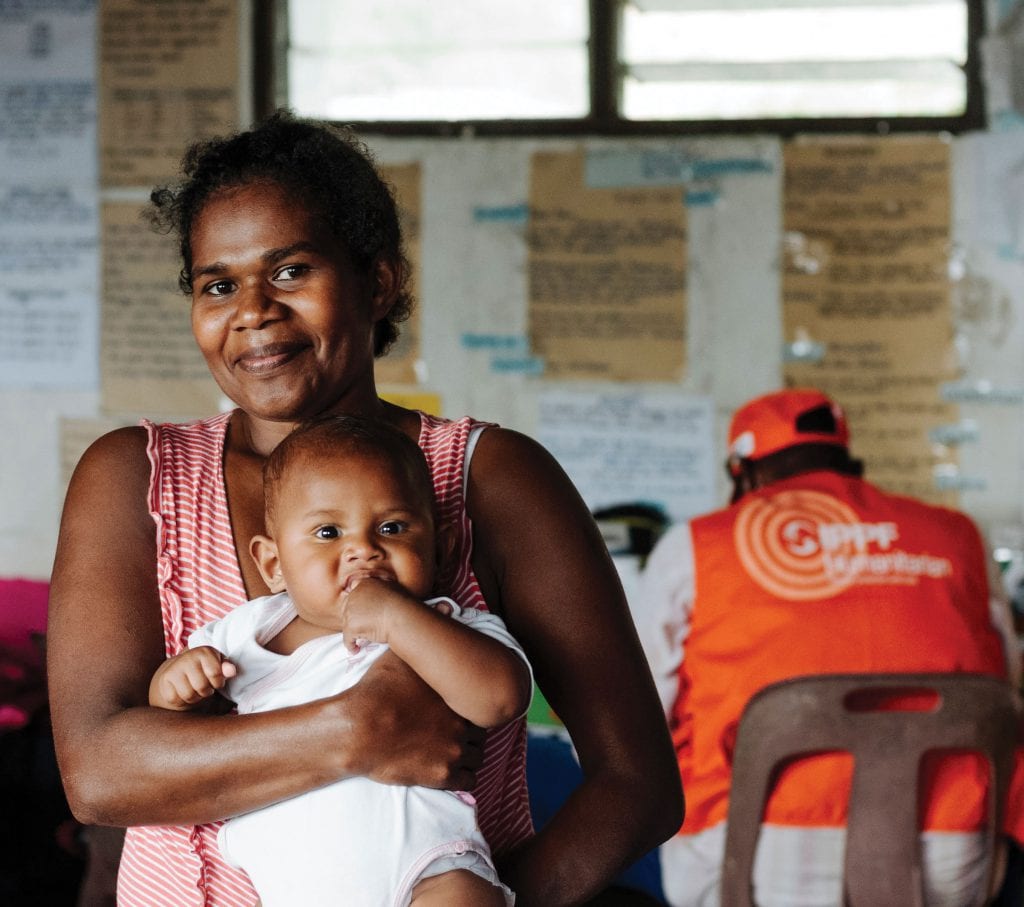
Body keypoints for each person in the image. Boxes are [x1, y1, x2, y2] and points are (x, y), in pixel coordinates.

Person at [47, 109, 682, 907]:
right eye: (218, 284)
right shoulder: (135, 477)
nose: (252, 309)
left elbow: (638, 784)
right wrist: (353, 729)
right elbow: (101, 773)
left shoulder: (493, 477)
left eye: (289, 271)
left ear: (376, 282)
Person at [634, 387, 1023, 907]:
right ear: (848, 461)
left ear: (744, 473)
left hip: (752, 852)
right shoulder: (958, 537)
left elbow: (634, 717)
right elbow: (1006, 686)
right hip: (948, 851)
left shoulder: (695, 546)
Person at [148, 413, 530, 906]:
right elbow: (174, 734)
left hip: (429, 871)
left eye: (391, 527)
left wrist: (396, 620)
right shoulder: (246, 634)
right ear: (273, 564)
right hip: (295, 889)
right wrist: (175, 686)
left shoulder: (443, 624)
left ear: (441, 547)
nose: (364, 551)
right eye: (328, 533)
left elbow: (500, 699)